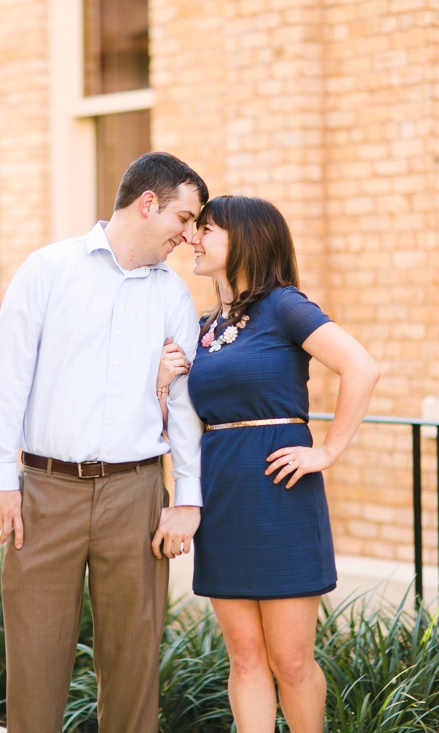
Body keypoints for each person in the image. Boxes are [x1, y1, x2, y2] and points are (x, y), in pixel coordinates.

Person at [0, 152, 209, 733]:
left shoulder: (173, 296)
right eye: (184, 218)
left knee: (133, 666)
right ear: (148, 203)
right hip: (44, 494)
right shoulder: (49, 270)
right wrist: (1, 477)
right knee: (35, 661)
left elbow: (181, 407)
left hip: (136, 495)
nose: (189, 235)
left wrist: (186, 497)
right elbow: (7, 377)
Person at [164, 195, 379, 733]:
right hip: (223, 494)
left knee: (290, 660)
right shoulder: (204, 326)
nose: (193, 237)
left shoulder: (285, 306)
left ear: (246, 239)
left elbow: (361, 367)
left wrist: (326, 451)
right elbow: (183, 418)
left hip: (280, 493)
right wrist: (163, 379)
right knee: (244, 657)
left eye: (207, 229)